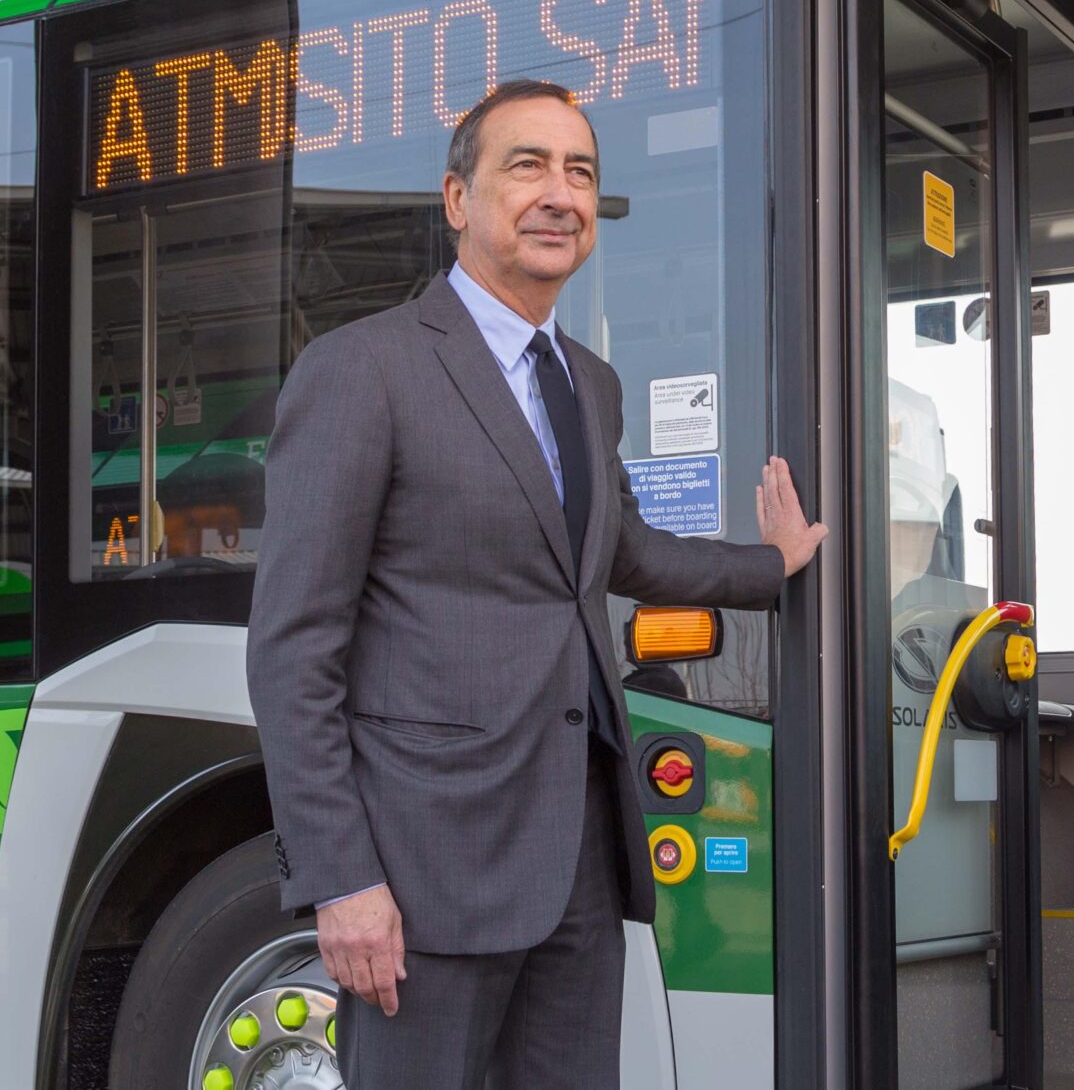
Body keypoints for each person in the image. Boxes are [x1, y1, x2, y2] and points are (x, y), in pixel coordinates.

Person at [247, 78, 826, 1090]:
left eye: (582, 172)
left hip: (578, 854)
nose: (561, 193)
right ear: (457, 199)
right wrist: (342, 879)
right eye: (529, 165)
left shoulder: (586, 382)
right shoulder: (363, 370)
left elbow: (621, 553)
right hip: (428, 864)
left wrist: (772, 564)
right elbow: (293, 650)